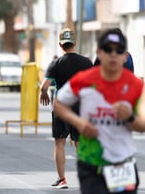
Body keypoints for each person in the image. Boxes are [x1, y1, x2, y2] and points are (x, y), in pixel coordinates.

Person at [54, 28, 145, 194]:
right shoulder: (84, 80)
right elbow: (59, 104)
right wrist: (79, 123)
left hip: (121, 162)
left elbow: (143, 123)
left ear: (125, 55)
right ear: (99, 53)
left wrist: (130, 118)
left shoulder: (136, 85)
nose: (112, 55)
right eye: (107, 50)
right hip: (91, 162)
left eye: (118, 50)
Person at [39, 28, 93, 189]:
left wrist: (45, 94)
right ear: (75, 43)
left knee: (60, 143)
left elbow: (44, 86)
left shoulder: (55, 63)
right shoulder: (86, 62)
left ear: (60, 45)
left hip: (61, 107)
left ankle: (62, 179)